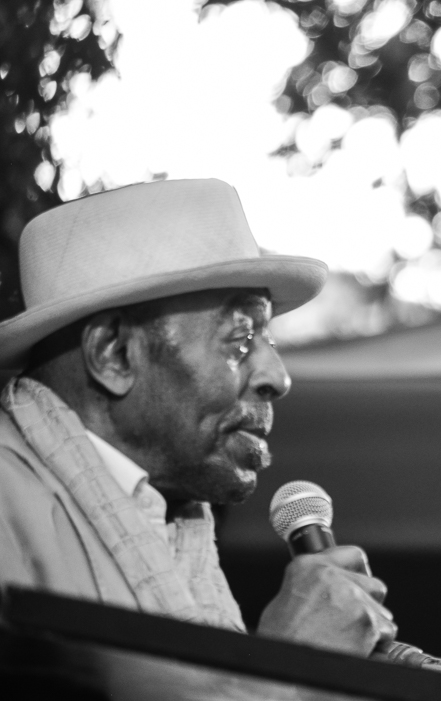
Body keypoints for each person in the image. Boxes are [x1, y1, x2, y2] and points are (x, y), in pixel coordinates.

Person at [0, 178, 397, 658]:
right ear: (114, 354)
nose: (277, 376)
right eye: (241, 336)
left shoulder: (170, 518)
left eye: (268, 340)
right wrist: (287, 672)